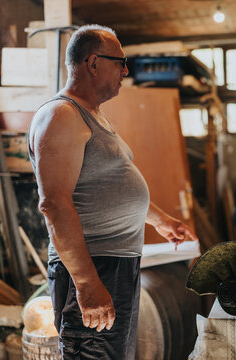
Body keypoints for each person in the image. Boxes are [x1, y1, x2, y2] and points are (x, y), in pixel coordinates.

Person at [27, 24, 198, 359]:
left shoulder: (93, 115)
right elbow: (54, 205)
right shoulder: (61, 115)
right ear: (92, 63)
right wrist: (87, 283)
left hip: (114, 265)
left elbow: (109, 184)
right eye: (119, 62)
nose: (125, 70)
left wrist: (159, 220)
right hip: (92, 266)